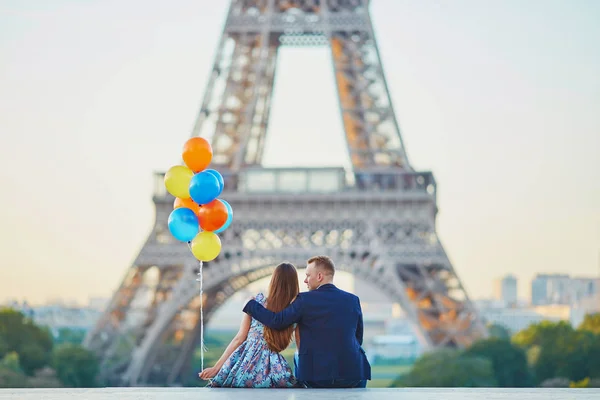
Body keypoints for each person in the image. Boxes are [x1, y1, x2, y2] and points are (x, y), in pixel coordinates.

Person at [243, 255, 371, 388]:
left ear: (319, 277)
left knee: (298, 356)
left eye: (308, 275)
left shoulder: (304, 300)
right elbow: (358, 338)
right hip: (353, 374)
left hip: (316, 377)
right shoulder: (353, 300)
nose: (305, 280)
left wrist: (251, 304)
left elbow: (277, 321)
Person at [199, 262, 300, 388]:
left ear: (273, 281)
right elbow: (300, 346)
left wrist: (216, 368)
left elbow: (239, 339)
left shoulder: (256, 302)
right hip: (274, 367)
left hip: (245, 363)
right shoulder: (295, 310)